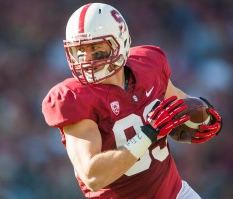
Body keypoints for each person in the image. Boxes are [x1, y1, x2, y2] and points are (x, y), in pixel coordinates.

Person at [42, 3, 222, 199]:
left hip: (175, 193)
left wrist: (205, 116)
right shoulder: (75, 97)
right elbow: (92, 176)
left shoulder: (148, 66)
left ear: (121, 42)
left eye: (96, 49)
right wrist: (147, 136)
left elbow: (181, 103)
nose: (87, 60)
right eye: (80, 51)